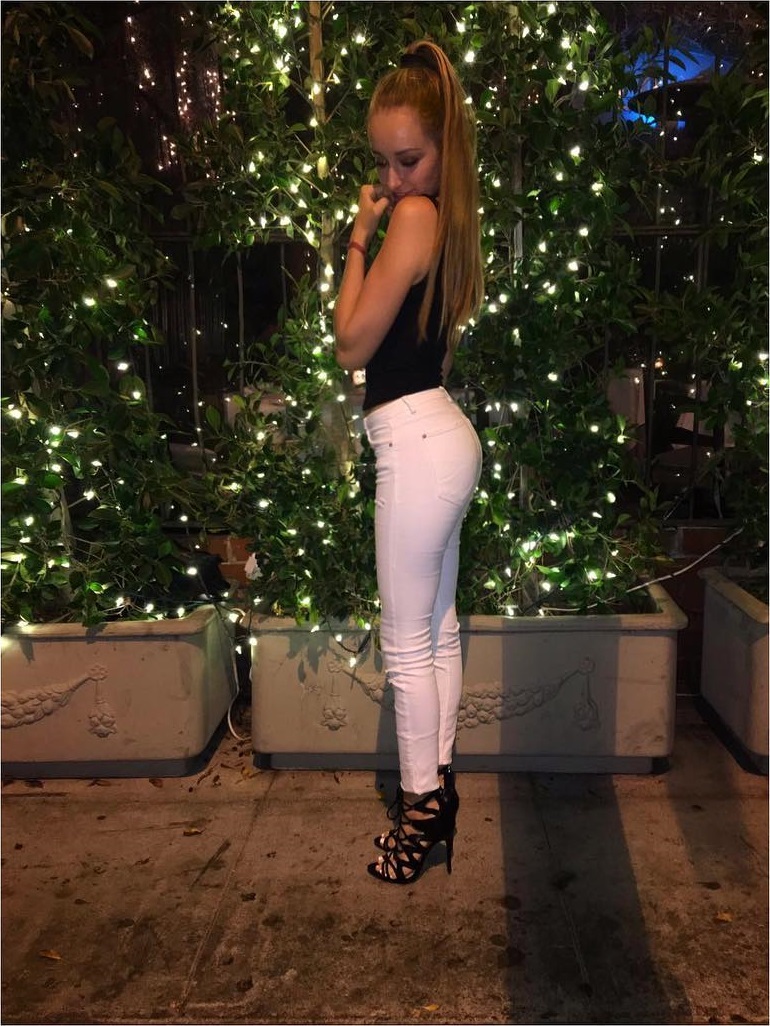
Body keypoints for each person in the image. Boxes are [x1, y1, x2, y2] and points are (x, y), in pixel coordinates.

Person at [333, 40, 484, 885]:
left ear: (442, 149)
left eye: (409, 159)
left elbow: (351, 342)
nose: (393, 180)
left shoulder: (414, 219)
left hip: (417, 444)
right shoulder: (446, 218)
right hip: (439, 438)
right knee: (437, 630)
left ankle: (422, 810)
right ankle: (440, 790)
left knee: (407, 643)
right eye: (382, 162)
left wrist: (358, 238)